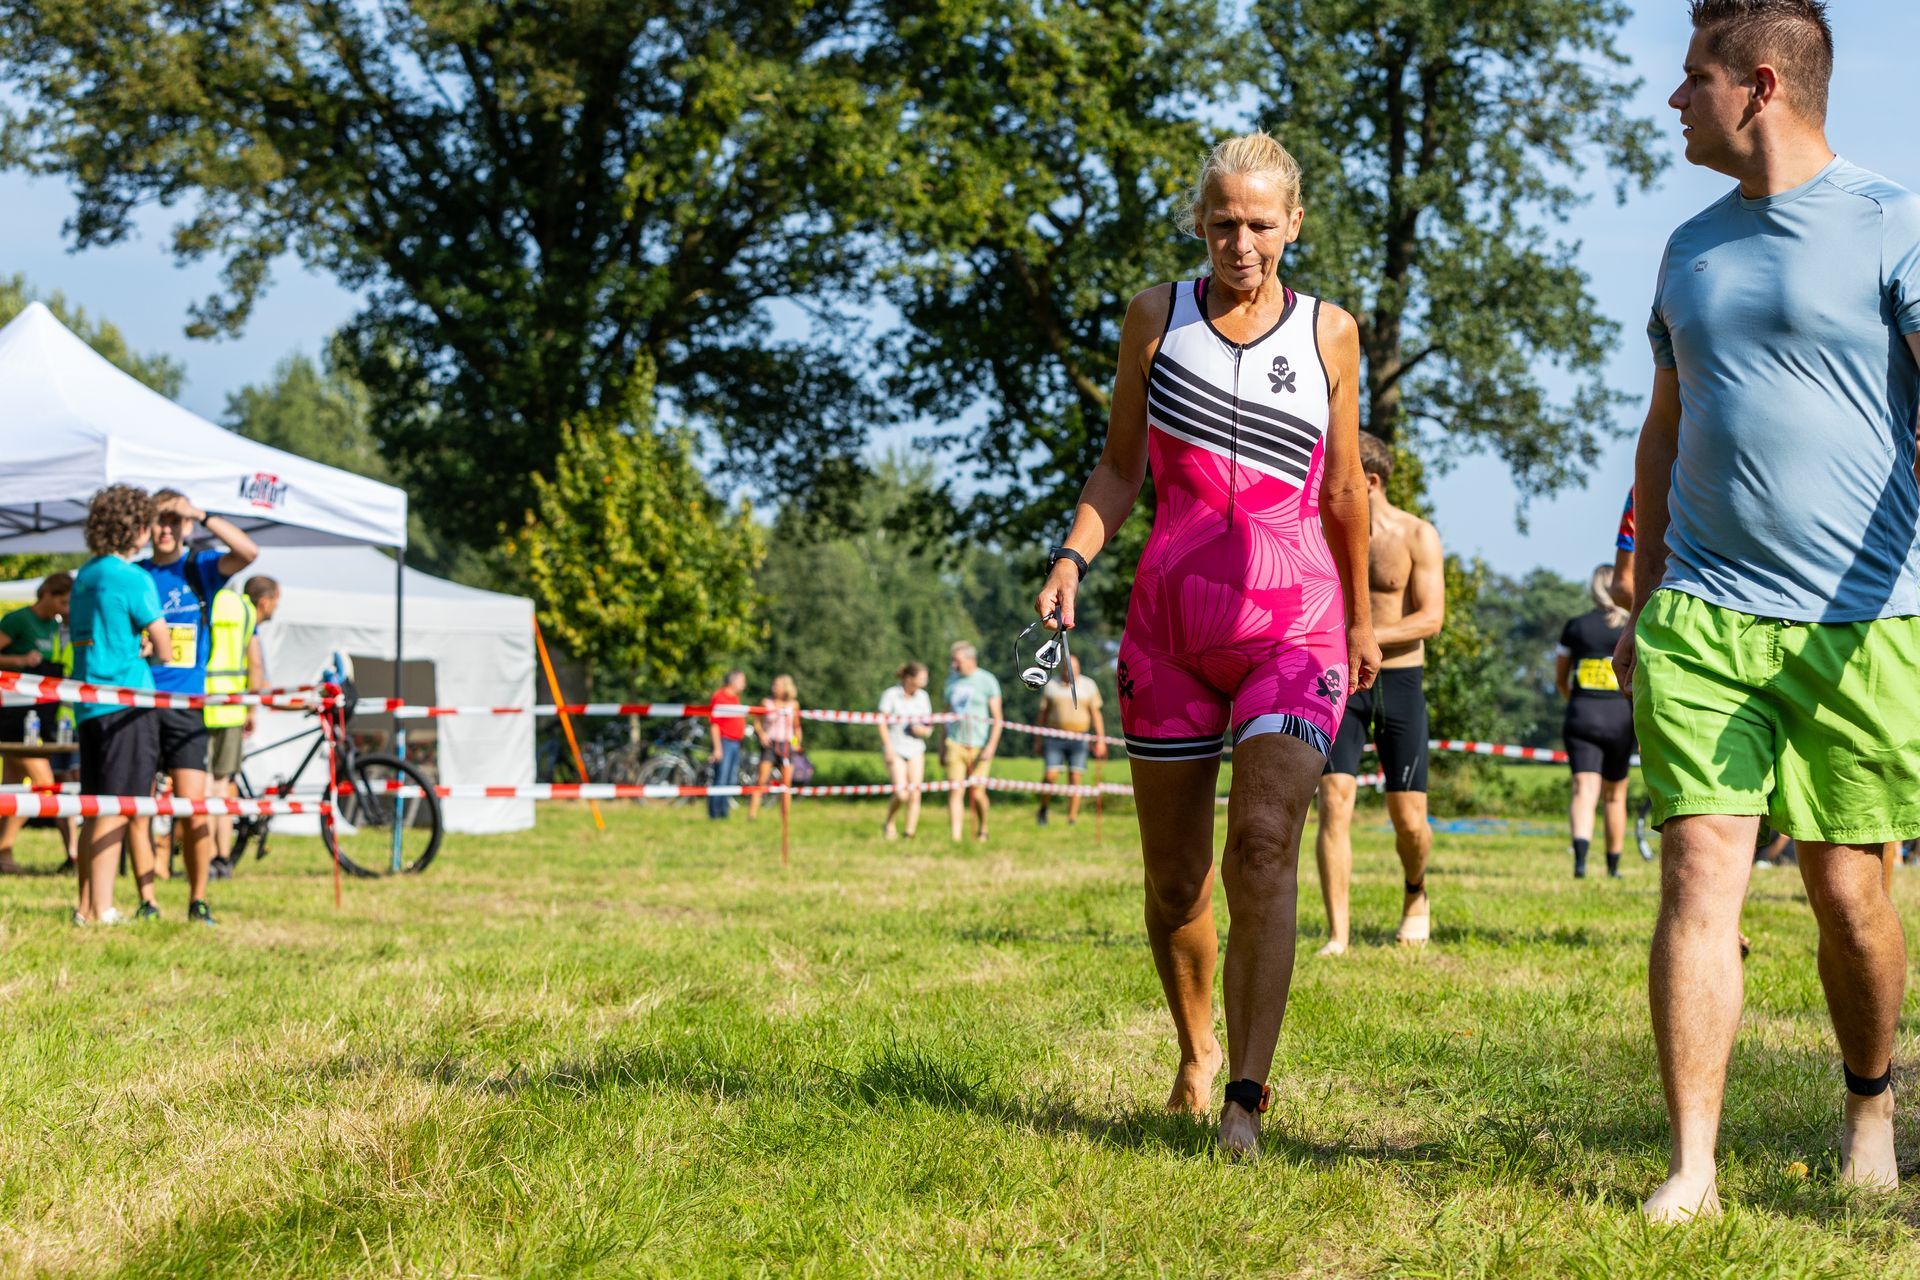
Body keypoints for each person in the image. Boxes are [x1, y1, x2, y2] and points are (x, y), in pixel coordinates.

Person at [1619, 0, 1920, 1220]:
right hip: (1702, 614)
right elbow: (1665, 421)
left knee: (1851, 896)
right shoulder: (1688, 246)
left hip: (1861, 618)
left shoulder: (1893, 221)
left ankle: (1869, 1103)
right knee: (1698, 877)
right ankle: (1692, 1162)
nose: (1674, 102)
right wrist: (1643, 574)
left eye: (1691, 79)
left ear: (1758, 84)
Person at [1033, 131, 1379, 1157]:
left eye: (1260, 223)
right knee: (1175, 876)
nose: (1241, 242)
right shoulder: (1156, 315)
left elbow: (1347, 488)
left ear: (1294, 224)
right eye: (1223, 222)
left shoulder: (1331, 333)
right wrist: (1069, 557)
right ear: (1200, 222)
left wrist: (1362, 615)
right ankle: (1192, 1048)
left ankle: (1245, 1096)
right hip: (1170, 630)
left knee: (1265, 838)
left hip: (1296, 622)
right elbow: (1117, 470)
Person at [1315, 432, 1444, 952]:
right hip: (1338, 679)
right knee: (1334, 800)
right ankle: (1337, 935)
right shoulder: (1324, 531)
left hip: (1399, 681)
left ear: (1370, 480)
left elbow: (1430, 618)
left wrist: (1363, 634)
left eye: (1341, 475)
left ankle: (1416, 890)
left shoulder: (1416, 535)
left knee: (1409, 818)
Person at [125, 489, 258, 925]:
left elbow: (248, 551)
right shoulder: (137, 573)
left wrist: (200, 513)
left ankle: (198, 899)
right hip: (140, 703)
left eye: (174, 520)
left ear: (186, 526)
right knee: (137, 808)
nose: (166, 528)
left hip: (187, 707)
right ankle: (147, 901)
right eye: (158, 520)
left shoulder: (198, 567)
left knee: (193, 807)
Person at [70, 486, 169, 925]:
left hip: (87, 702)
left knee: (93, 805)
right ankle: (105, 909)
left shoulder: (85, 575)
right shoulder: (133, 578)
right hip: (127, 701)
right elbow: (164, 645)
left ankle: (86, 906)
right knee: (119, 805)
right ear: (139, 528)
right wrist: (149, 647)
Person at [1557, 566, 1635, 880]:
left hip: (1582, 714)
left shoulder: (1576, 627)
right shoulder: (1630, 627)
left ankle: (1580, 863)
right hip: (1621, 718)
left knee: (1583, 790)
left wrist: (1574, 701)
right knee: (1615, 795)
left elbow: (1561, 678)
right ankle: (1613, 867)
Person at [0, 572, 76, 874]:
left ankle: (4, 853)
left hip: (41, 716)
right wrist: (19, 662)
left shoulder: (55, 627)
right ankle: (71, 854)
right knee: (44, 785)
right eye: (61, 600)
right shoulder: (18, 620)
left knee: (13, 788)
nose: (64, 607)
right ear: (46, 593)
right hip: (14, 716)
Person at [206, 575, 279, 877]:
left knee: (206, 786)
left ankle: (206, 855)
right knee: (223, 787)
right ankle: (220, 857)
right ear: (264, 601)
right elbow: (256, 664)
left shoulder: (211, 602)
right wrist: (252, 706)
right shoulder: (247, 615)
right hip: (231, 708)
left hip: (199, 701)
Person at [1034, 654, 1106, 826]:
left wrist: (1101, 740)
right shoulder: (1051, 685)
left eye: (1075, 668)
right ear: (1062, 668)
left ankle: (1072, 818)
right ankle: (1043, 808)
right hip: (1055, 738)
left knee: (1075, 778)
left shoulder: (1089, 685)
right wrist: (1038, 739)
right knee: (1050, 776)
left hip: (1080, 738)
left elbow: (1096, 715)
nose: (1072, 671)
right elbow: (1043, 714)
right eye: (1068, 668)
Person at [942, 642, 1002, 842]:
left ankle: (983, 828)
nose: (954, 665)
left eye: (957, 661)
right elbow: (945, 715)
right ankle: (955, 837)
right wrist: (942, 746)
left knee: (977, 793)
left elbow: (997, 718)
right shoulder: (951, 681)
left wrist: (990, 747)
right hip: (955, 742)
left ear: (970, 659)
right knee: (955, 791)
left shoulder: (987, 681)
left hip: (979, 744)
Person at [878, 662, 933, 840]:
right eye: (922, 677)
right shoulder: (890, 695)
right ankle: (889, 821)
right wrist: (887, 747)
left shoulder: (923, 697)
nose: (926, 680)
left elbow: (929, 725)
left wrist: (923, 731)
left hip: (916, 748)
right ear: (909, 678)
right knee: (902, 793)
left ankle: (909, 834)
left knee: (915, 793)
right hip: (895, 748)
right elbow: (882, 723)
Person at [748, 674, 801, 819]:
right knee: (761, 780)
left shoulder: (794, 705)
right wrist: (762, 734)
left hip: (787, 745)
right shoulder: (766, 702)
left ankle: (785, 816)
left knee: (786, 783)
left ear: (785, 687)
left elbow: (796, 728)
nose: (773, 688)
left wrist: (796, 745)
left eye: (776, 685)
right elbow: (756, 721)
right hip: (770, 745)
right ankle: (752, 814)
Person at [707, 669, 748, 819]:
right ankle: (715, 814)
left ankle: (724, 812)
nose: (744, 684)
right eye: (742, 680)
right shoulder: (720, 696)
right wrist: (717, 748)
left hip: (735, 743)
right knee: (721, 778)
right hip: (724, 742)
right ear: (733, 681)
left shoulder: (735, 698)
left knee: (730, 780)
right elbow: (714, 724)